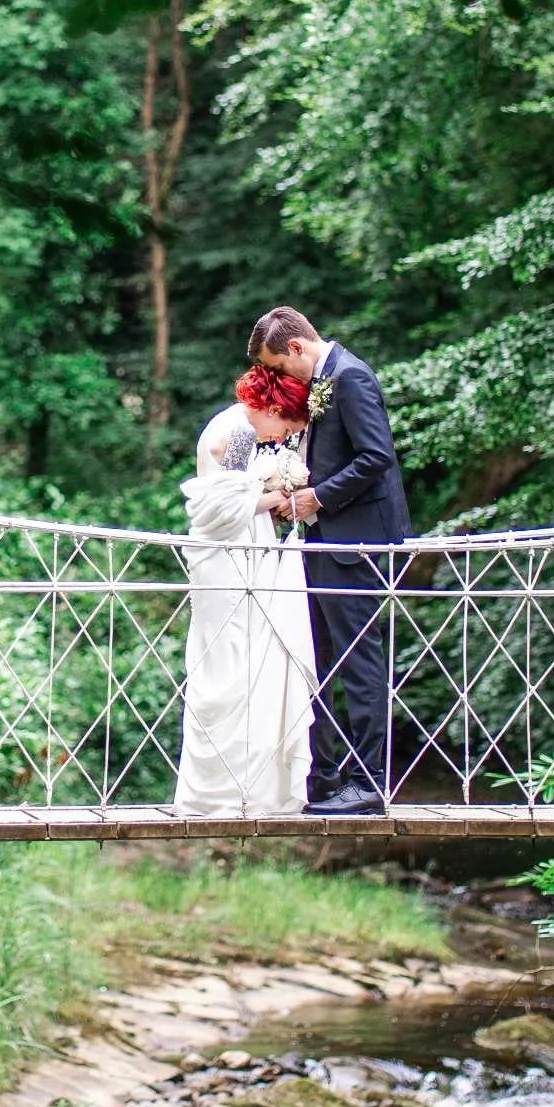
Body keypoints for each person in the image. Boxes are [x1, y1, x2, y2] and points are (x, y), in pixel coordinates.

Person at [248, 306, 410, 819]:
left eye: (279, 366)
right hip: (323, 541)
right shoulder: (326, 380)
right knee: (318, 661)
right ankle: (324, 774)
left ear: (297, 348)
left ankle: (369, 783)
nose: (279, 378)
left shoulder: (351, 376)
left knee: (358, 664)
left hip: (357, 542)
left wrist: (319, 497)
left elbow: (376, 456)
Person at [172, 367, 317, 820]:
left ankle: (229, 788)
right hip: (229, 560)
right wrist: (278, 494)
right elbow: (223, 507)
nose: (281, 439)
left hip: (233, 555)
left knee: (236, 664)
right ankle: (235, 791)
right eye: (287, 428)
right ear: (274, 409)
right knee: (235, 664)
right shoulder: (238, 430)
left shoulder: (235, 423)